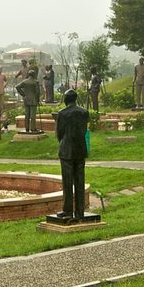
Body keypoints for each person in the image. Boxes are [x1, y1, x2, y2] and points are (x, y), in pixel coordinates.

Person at [55, 89, 89, 220]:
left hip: (66, 150)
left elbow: (60, 133)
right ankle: (80, 212)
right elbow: (84, 130)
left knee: (67, 182)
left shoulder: (62, 113)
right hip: (80, 149)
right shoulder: (84, 112)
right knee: (80, 181)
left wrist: (64, 143)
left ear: (66, 99)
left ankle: (68, 211)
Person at [16, 67, 41, 133]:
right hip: (33, 100)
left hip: (26, 99)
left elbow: (17, 87)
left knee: (27, 115)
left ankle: (27, 128)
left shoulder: (24, 81)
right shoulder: (36, 82)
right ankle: (33, 128)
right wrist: (38, 100)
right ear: (34, 75)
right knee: (32, 115)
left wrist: (23, 94)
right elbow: (37, 92)